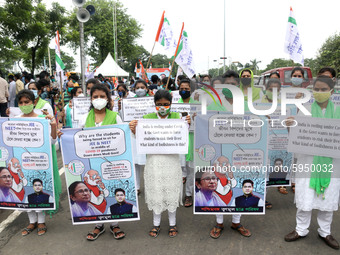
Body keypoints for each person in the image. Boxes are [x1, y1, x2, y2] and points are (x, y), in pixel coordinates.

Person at [284, 76, 340, 250]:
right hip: (308, 161)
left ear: (331, 91)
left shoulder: (338, 111)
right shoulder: (305, 110)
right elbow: (296, 136)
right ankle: (301, 229)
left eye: (324, 90)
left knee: (328, 198)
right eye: (316, 89)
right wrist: (289, 126)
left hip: (330, 163)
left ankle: (325, 231)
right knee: (305, 197)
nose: (320, 93)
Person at [63, 83, 125, 241]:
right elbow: (76, 138)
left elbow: (121, 138)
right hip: (90, 164)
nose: (99, 99)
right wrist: (63, 136)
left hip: (110, 163)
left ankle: (114, 224)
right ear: (90, 99)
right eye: (95, 97)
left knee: (109, 191)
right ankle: (98, 225)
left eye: (102, 97)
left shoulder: (115, 116)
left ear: (108, 98)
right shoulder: (84, 118)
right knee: (94, 195)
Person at [129, 90, 190, 238]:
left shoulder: (178, 117)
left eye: (166, 104)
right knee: (156, 191)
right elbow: (140, 138)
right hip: (154, 162)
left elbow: (183, 136)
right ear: (154, 104)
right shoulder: (146, 119)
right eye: (159, 104)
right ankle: (156, 224)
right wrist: (134, 129)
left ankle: (172, 223)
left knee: (171, 191)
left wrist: (187, 124)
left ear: (171, 104)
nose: (162, 107)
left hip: (172, 161)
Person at [178, 78, 199, 207]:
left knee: (191, 169)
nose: (184, 91)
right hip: (179, 141)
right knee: (179, 169)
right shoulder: (175, 105)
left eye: (186, 89)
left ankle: (188, 195)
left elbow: (203, 122)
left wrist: (194, 119)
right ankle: (177, 195)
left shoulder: (197, 104)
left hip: (193, 139)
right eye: (181, 89)